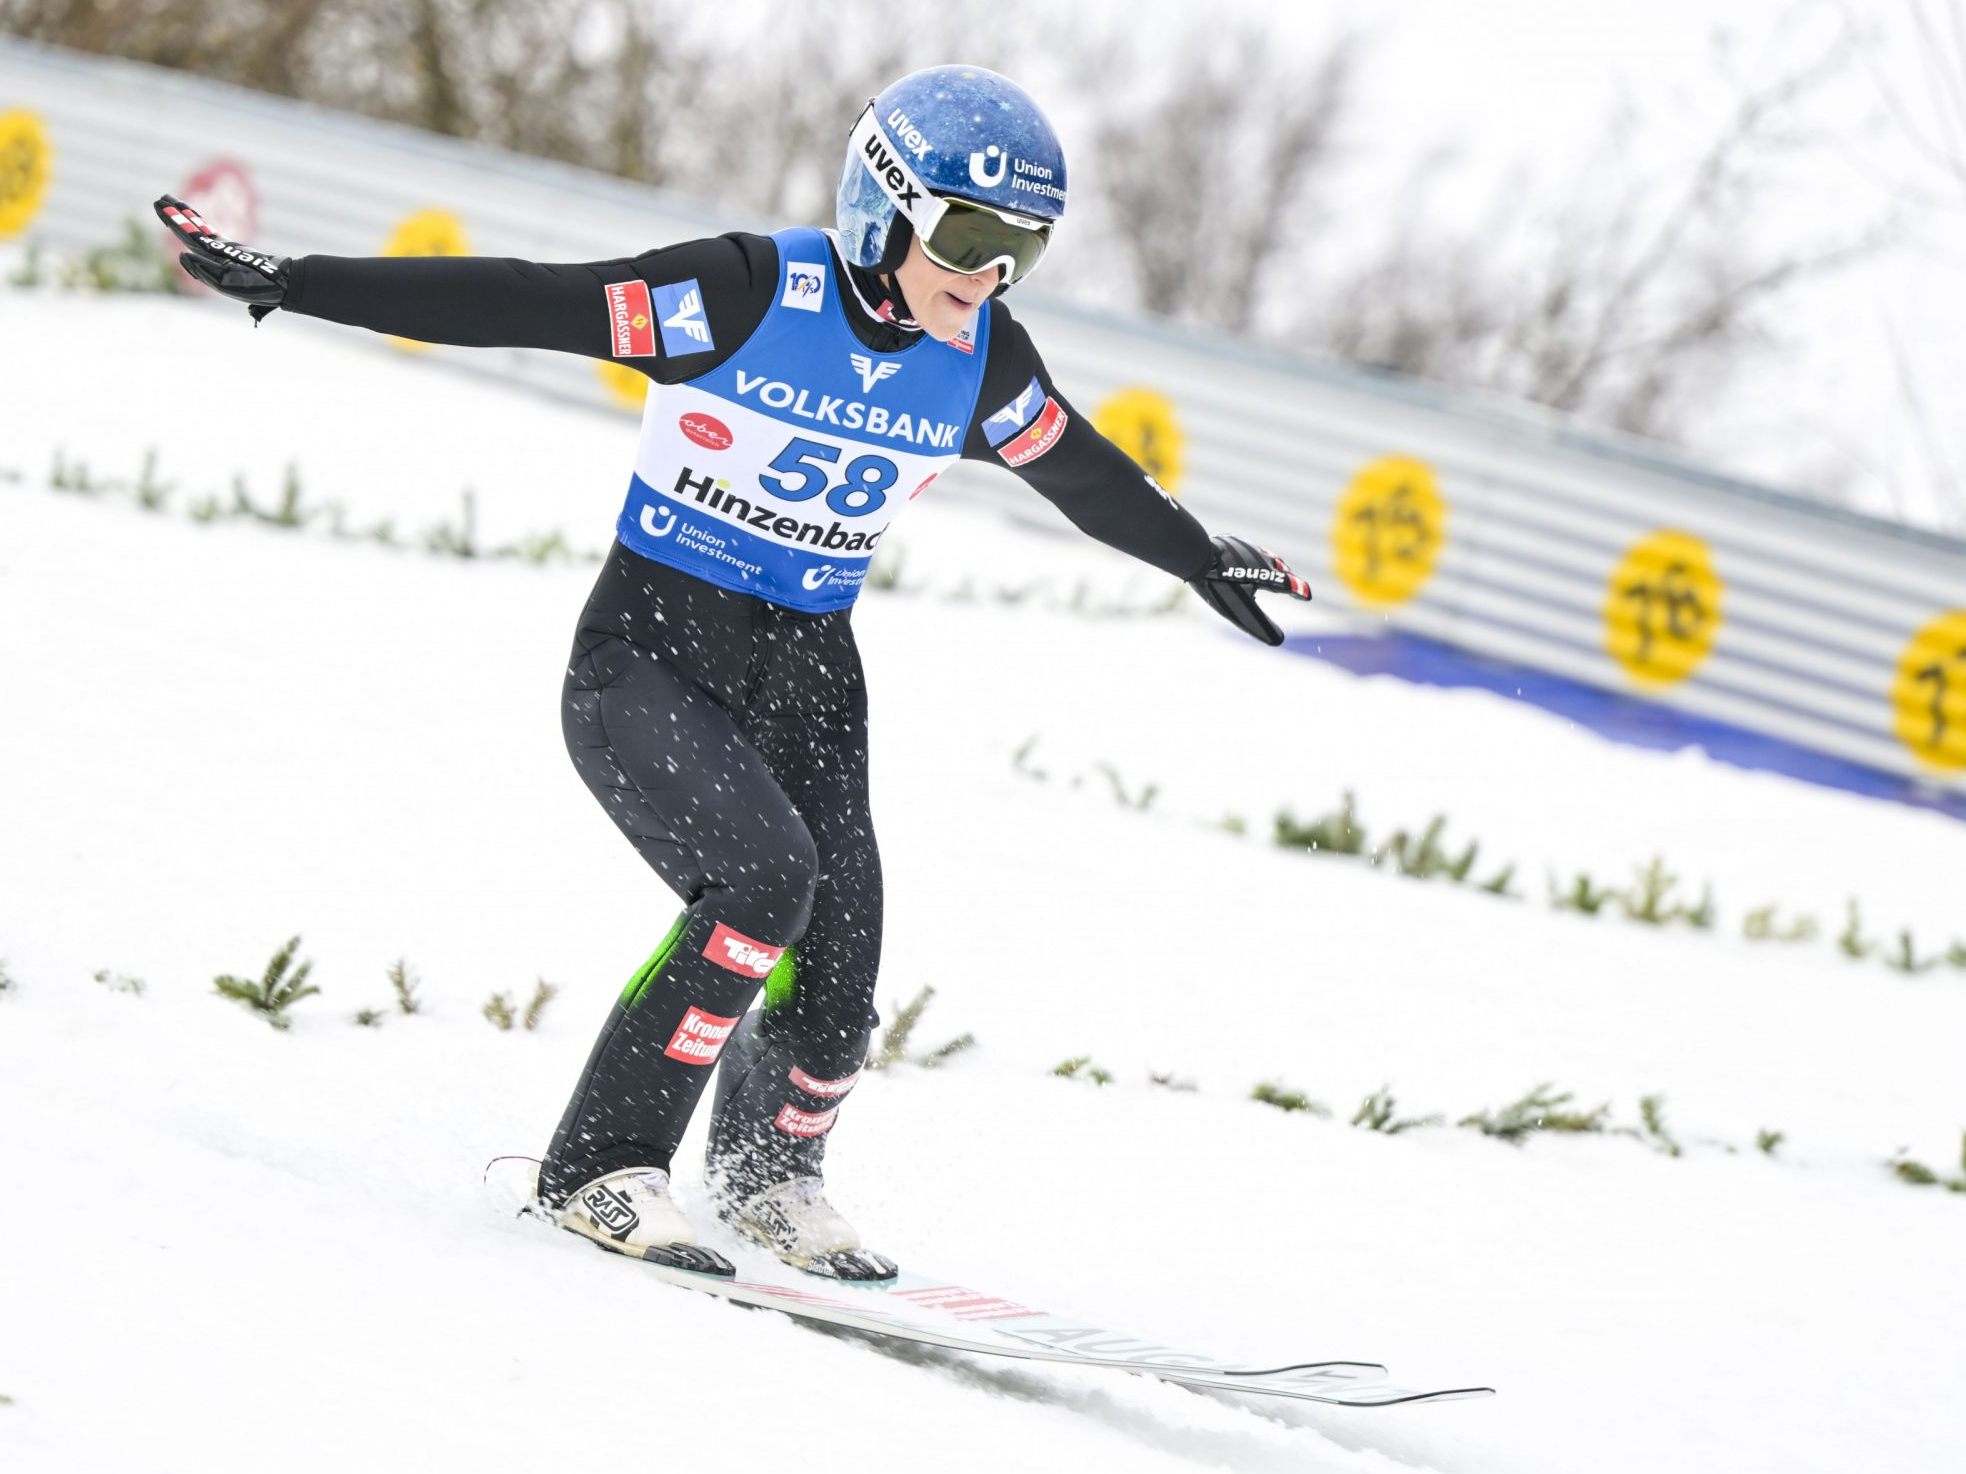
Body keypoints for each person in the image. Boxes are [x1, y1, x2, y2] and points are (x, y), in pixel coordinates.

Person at [156, 63, 1312, 1284]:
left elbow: (1081, 471)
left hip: (809, 674)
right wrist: (298, 283)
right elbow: (524, 300)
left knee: (844, 940)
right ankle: (600, 1166)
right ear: (886, 208)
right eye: (967, 238)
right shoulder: (745, 294)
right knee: (764, 881)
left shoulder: (977, 359)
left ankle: (770, 1178)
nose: (987, 278)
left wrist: (1196, 557)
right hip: (650, 657)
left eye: (1019, 249)